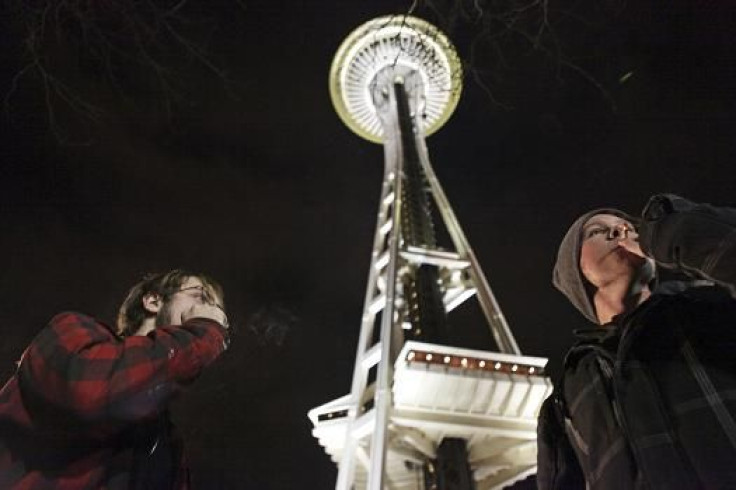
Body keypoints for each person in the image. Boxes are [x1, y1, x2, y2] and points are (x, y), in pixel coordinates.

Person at [537, 194, 736, 490]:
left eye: (630, 227)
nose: (620, 232)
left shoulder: (711, 308)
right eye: (597, 232)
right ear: (577, 271)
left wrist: (666, 230)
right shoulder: (567, 394)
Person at [0, 269, 229, 489]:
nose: (212, 313)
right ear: (152, 301)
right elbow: (89, 397)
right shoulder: (73, 332)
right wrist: (203, 330)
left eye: (216, 309)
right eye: (200, 296)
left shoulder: (168, 443)